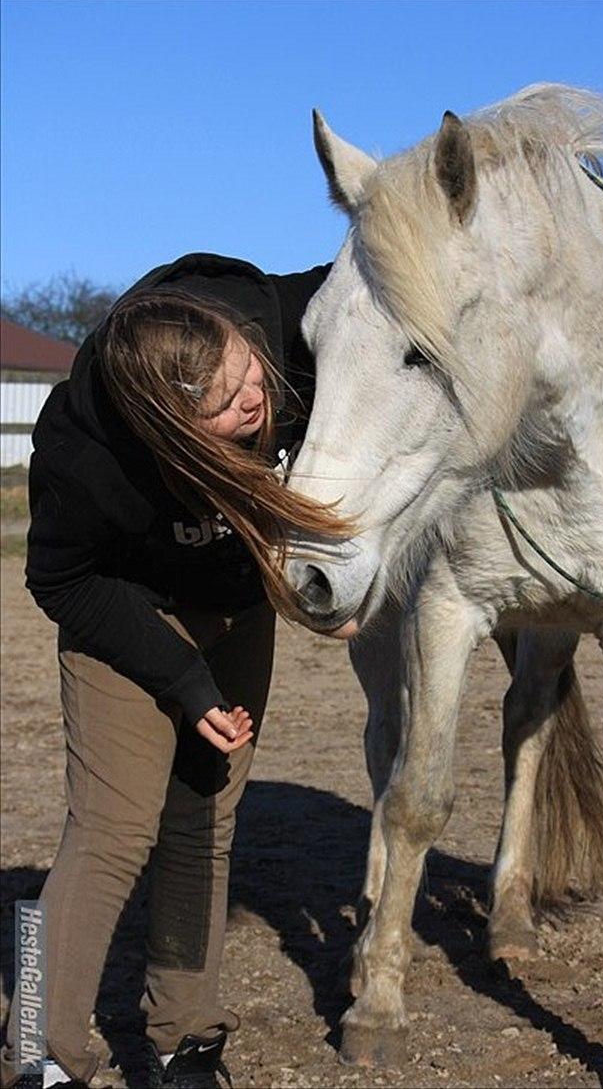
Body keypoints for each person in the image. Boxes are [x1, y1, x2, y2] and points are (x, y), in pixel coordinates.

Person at [0, 253, 349, 1089]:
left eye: (250, 373)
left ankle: (185, 1036)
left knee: (204, 820)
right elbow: (61, 579)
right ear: (170, 426)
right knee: (109, 830)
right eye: (230, 407)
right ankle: (37, 1053)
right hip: (128, 607)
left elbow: (396, 273)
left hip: (235, 601)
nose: (257, 401)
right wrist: (184, 683)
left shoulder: (290, 328)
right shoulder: (85, 457)